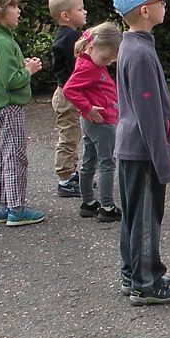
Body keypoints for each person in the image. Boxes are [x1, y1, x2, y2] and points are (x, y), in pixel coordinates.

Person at [112, 0, 170, 305]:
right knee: (145, 218)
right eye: (159, 1)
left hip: (133, 147)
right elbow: (149, 115)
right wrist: (162, 160)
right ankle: (146, 283)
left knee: (134, 215)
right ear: (145, 10)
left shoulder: (133, 45)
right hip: (143, 151)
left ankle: (136, 272)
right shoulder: (140, 53)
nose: (164, 6)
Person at [0, 0, 46, 226]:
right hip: (9, 107)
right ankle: (16, 208)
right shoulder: (4, 43)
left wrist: (21, 67)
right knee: (15, 156)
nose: (18, 11)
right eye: (13, 6)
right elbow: (11, 81)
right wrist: (29, 70)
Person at [64, 22, 122, 226]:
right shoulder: (88, 67)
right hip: (100, 121)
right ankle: (107, 206)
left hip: (93, 121)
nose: (107, 63)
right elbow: (69, 89)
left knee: (89, 160)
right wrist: (87, 107)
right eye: (105, 58)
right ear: (92, 47)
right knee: (107, 163)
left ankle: (88, 202)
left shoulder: (88, 61)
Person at [46, 0, 89, 199]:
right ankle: (65, 179)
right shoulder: (69, 38)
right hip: (67, 94)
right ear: (66, 15)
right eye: (80, 9)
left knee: (74, 134)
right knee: (68, 136)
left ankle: (72, 172)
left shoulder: (68, 35)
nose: (85, 12)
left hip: (68, 91)